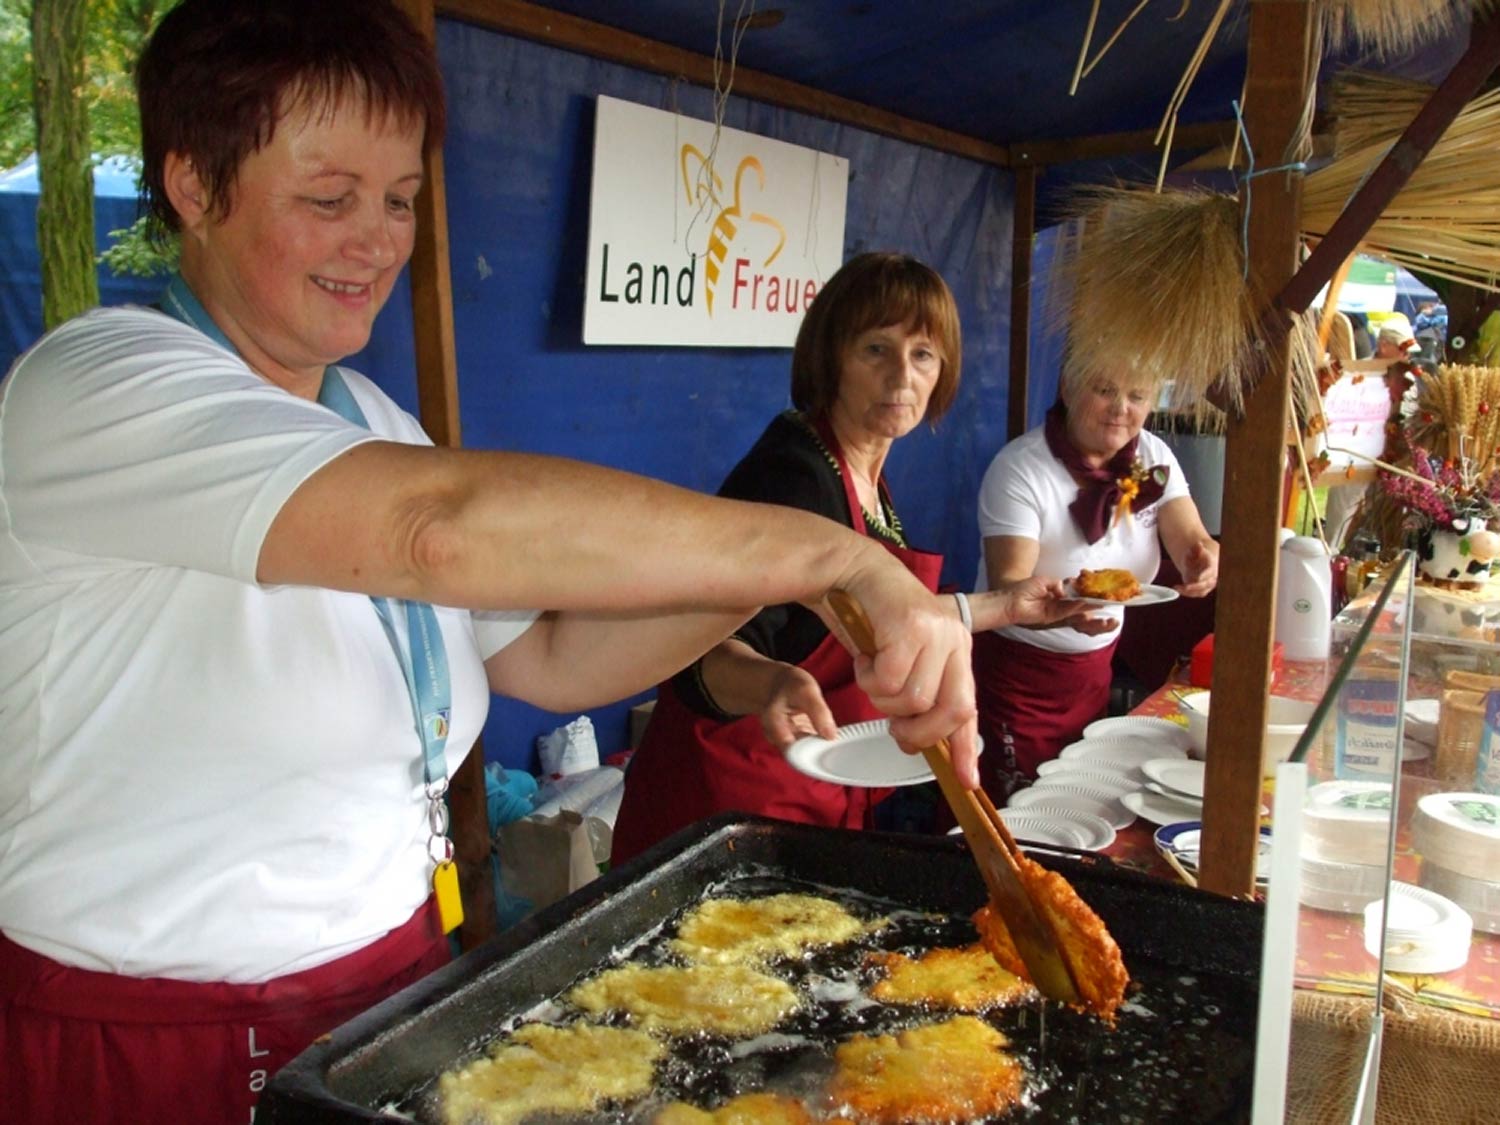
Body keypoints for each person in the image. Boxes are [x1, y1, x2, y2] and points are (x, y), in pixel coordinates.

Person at [0, 6, 983, 1122]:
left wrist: (788, 576)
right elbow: (438, 532)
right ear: (191, 183)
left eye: (402, 200)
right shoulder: (99, 386)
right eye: (329, 198)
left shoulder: (367, 419)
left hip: (388, 992)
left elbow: (554, 651)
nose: (375, 237)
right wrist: (833, 549)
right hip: (151, 1041)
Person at [610, 254, 1078, 862]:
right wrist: (773, 681)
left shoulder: (864, 476)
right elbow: (699, 656)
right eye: (876, 350)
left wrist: (1008, 606)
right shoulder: (794, 478)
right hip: (725, 805)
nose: (901, 377)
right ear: (831, 359)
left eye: (922, 355)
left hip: (810, 788)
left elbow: (872, 617)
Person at [971, 367, 1220, 797]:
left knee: (1076, 796)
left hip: (1094, 670)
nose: (1122, 409)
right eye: (1105, 389)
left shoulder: (1153, 457)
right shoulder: (1021, 468)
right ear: (1067, 386)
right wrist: (1062, 618)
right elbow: (1007, 586)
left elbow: (1189, 537)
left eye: (1138, 395)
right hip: (1019, 674)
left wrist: (1201, 559)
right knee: (1017, 812)